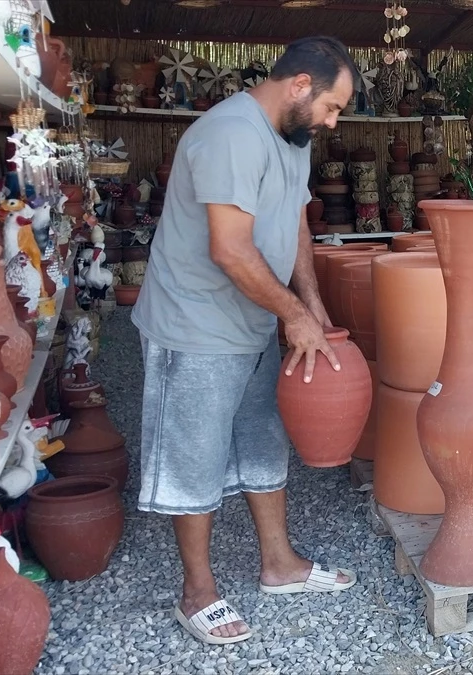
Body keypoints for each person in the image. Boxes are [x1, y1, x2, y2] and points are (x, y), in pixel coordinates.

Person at [131, 36, 360, 645]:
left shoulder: (293, 139)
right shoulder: (230, 134)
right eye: (332, 107)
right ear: (300, 86)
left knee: (262, 440)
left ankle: (279, 564)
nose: (333, 122)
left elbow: (296, 228)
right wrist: (292, 314)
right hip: (194, 326)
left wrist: (310, 305)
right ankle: (197, 592)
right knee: (194, 458)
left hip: (253, 320)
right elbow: (229, 249)